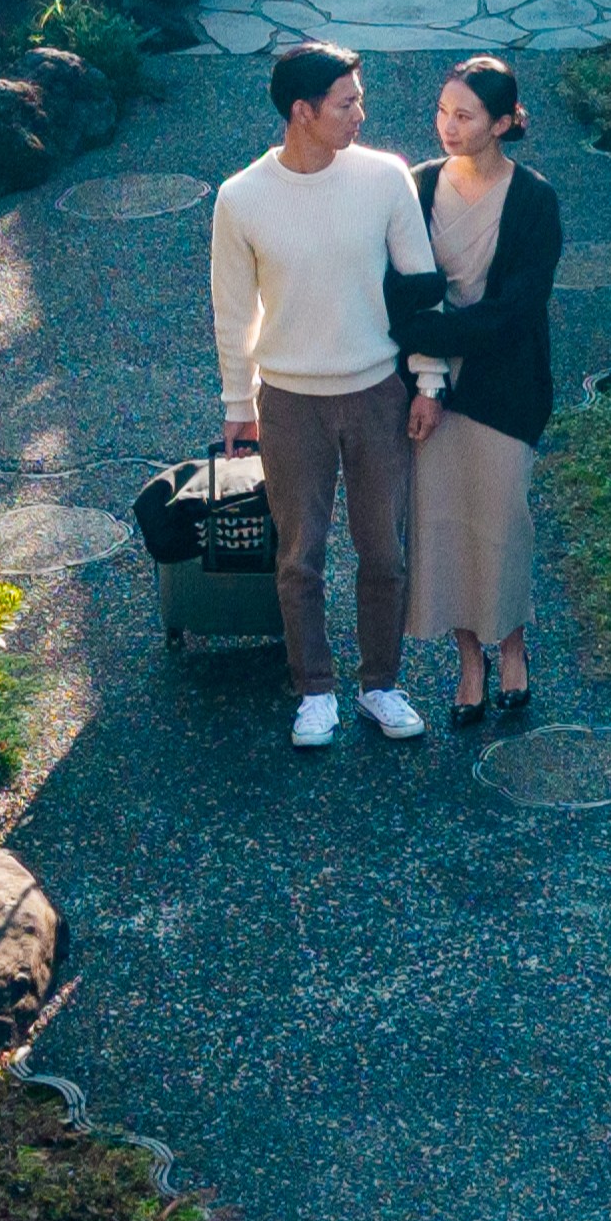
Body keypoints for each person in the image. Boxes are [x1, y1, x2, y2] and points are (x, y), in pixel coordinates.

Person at [208, 38, 437, 746]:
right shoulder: (241, 198)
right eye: (346, 103)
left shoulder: (383, 178)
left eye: (358, 98)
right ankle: (313, 689)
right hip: (290, 400)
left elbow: (421, 289)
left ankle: (381, 684)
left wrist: (429, 380)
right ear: (301, 112)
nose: (360, 114)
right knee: (298, 554)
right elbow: (231, 310)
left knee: (384, 551)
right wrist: (237, 407)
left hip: (377, 392)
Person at [395, 55, 563, 724]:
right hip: (426, 388)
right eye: (442, 111)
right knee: (439, 523)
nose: (447, 126)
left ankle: (512, 646)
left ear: (500, 123)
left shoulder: (534, 200)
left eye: (464, 116)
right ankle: (468, 659)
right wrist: (425, 375)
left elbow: (517, 309)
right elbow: (399, 294)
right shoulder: (415, 186)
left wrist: (433, 333)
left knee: (502, 521)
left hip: (505, 383)